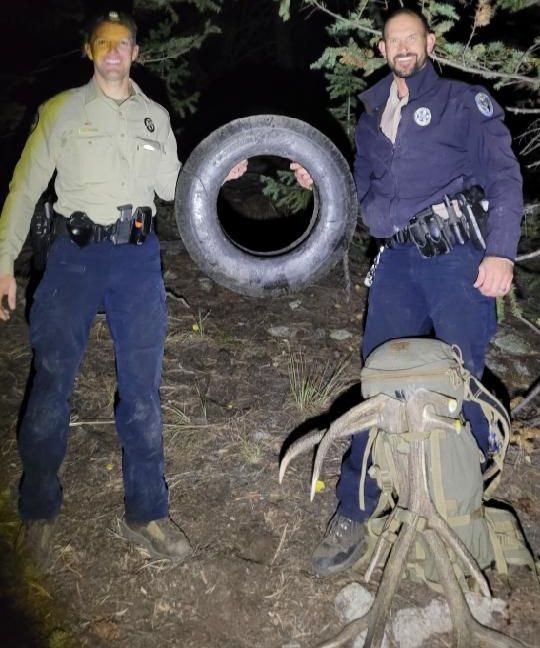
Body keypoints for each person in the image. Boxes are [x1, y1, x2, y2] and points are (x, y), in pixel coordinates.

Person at [0, 9, 246, 568]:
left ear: (136, 53)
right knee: (51, 383)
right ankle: (37, 508)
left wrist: (220, 171)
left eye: (124, 44)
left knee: (142, 390)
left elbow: (175, 188)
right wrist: (3, 262)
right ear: (90, 51)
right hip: (73, 259)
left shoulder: (155, 117)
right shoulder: (61, 111)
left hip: (137, 260)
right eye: (104, 43)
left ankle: (147, 513)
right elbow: (24, 186)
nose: (114, 52)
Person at [292, 8, 523, 576]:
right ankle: (356, 509)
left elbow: (503, 175)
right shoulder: (372, 116)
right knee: (380, 381)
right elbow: (362, 193)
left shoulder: (464, 102)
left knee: (462, 377)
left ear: (429, 43)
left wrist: (502, 251)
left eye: (412, 38)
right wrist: (322, 179)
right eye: (393, 40)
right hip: (396, 261)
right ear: (381, 47)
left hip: (458, 260)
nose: (402, 47)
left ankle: (462, 505)